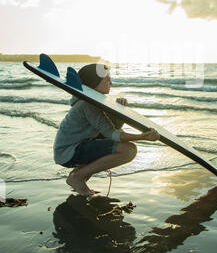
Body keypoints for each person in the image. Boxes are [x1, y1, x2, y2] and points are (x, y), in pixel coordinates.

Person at [53, 61, 160, 196]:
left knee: (121, 146)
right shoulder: (87, 104)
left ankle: (78, 176)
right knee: (128, 150)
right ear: (94, 82)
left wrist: (120, 110)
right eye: (108, 80)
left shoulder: (92, 101)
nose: (111, 83)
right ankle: (77, 177)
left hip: (72, 149)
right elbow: (112, 133)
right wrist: (142, 136)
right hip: (68, 152)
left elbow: (110, 129)